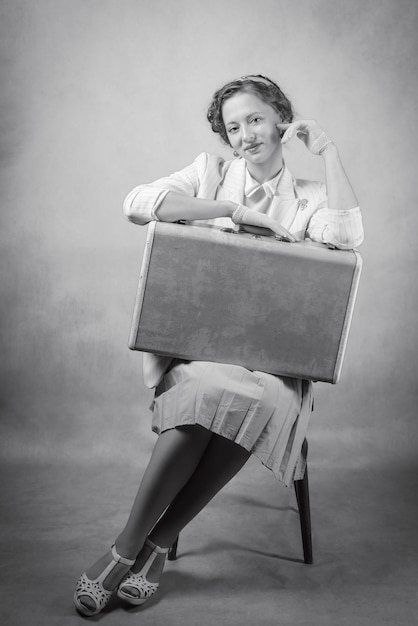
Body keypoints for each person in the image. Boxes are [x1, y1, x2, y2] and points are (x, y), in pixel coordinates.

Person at [73, 74, 364, 616]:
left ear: (280, 117)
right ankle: (129, 546)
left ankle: (155, 544)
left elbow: (345, 239)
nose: (245, 135)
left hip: (278, 367)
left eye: (255, 119)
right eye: (233, 127)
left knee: (264, 395)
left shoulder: (314, 197)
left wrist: (328, 152)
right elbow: (138, 203)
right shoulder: (209, 174)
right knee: (208, 384)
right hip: (201, 351)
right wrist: (230, 212)